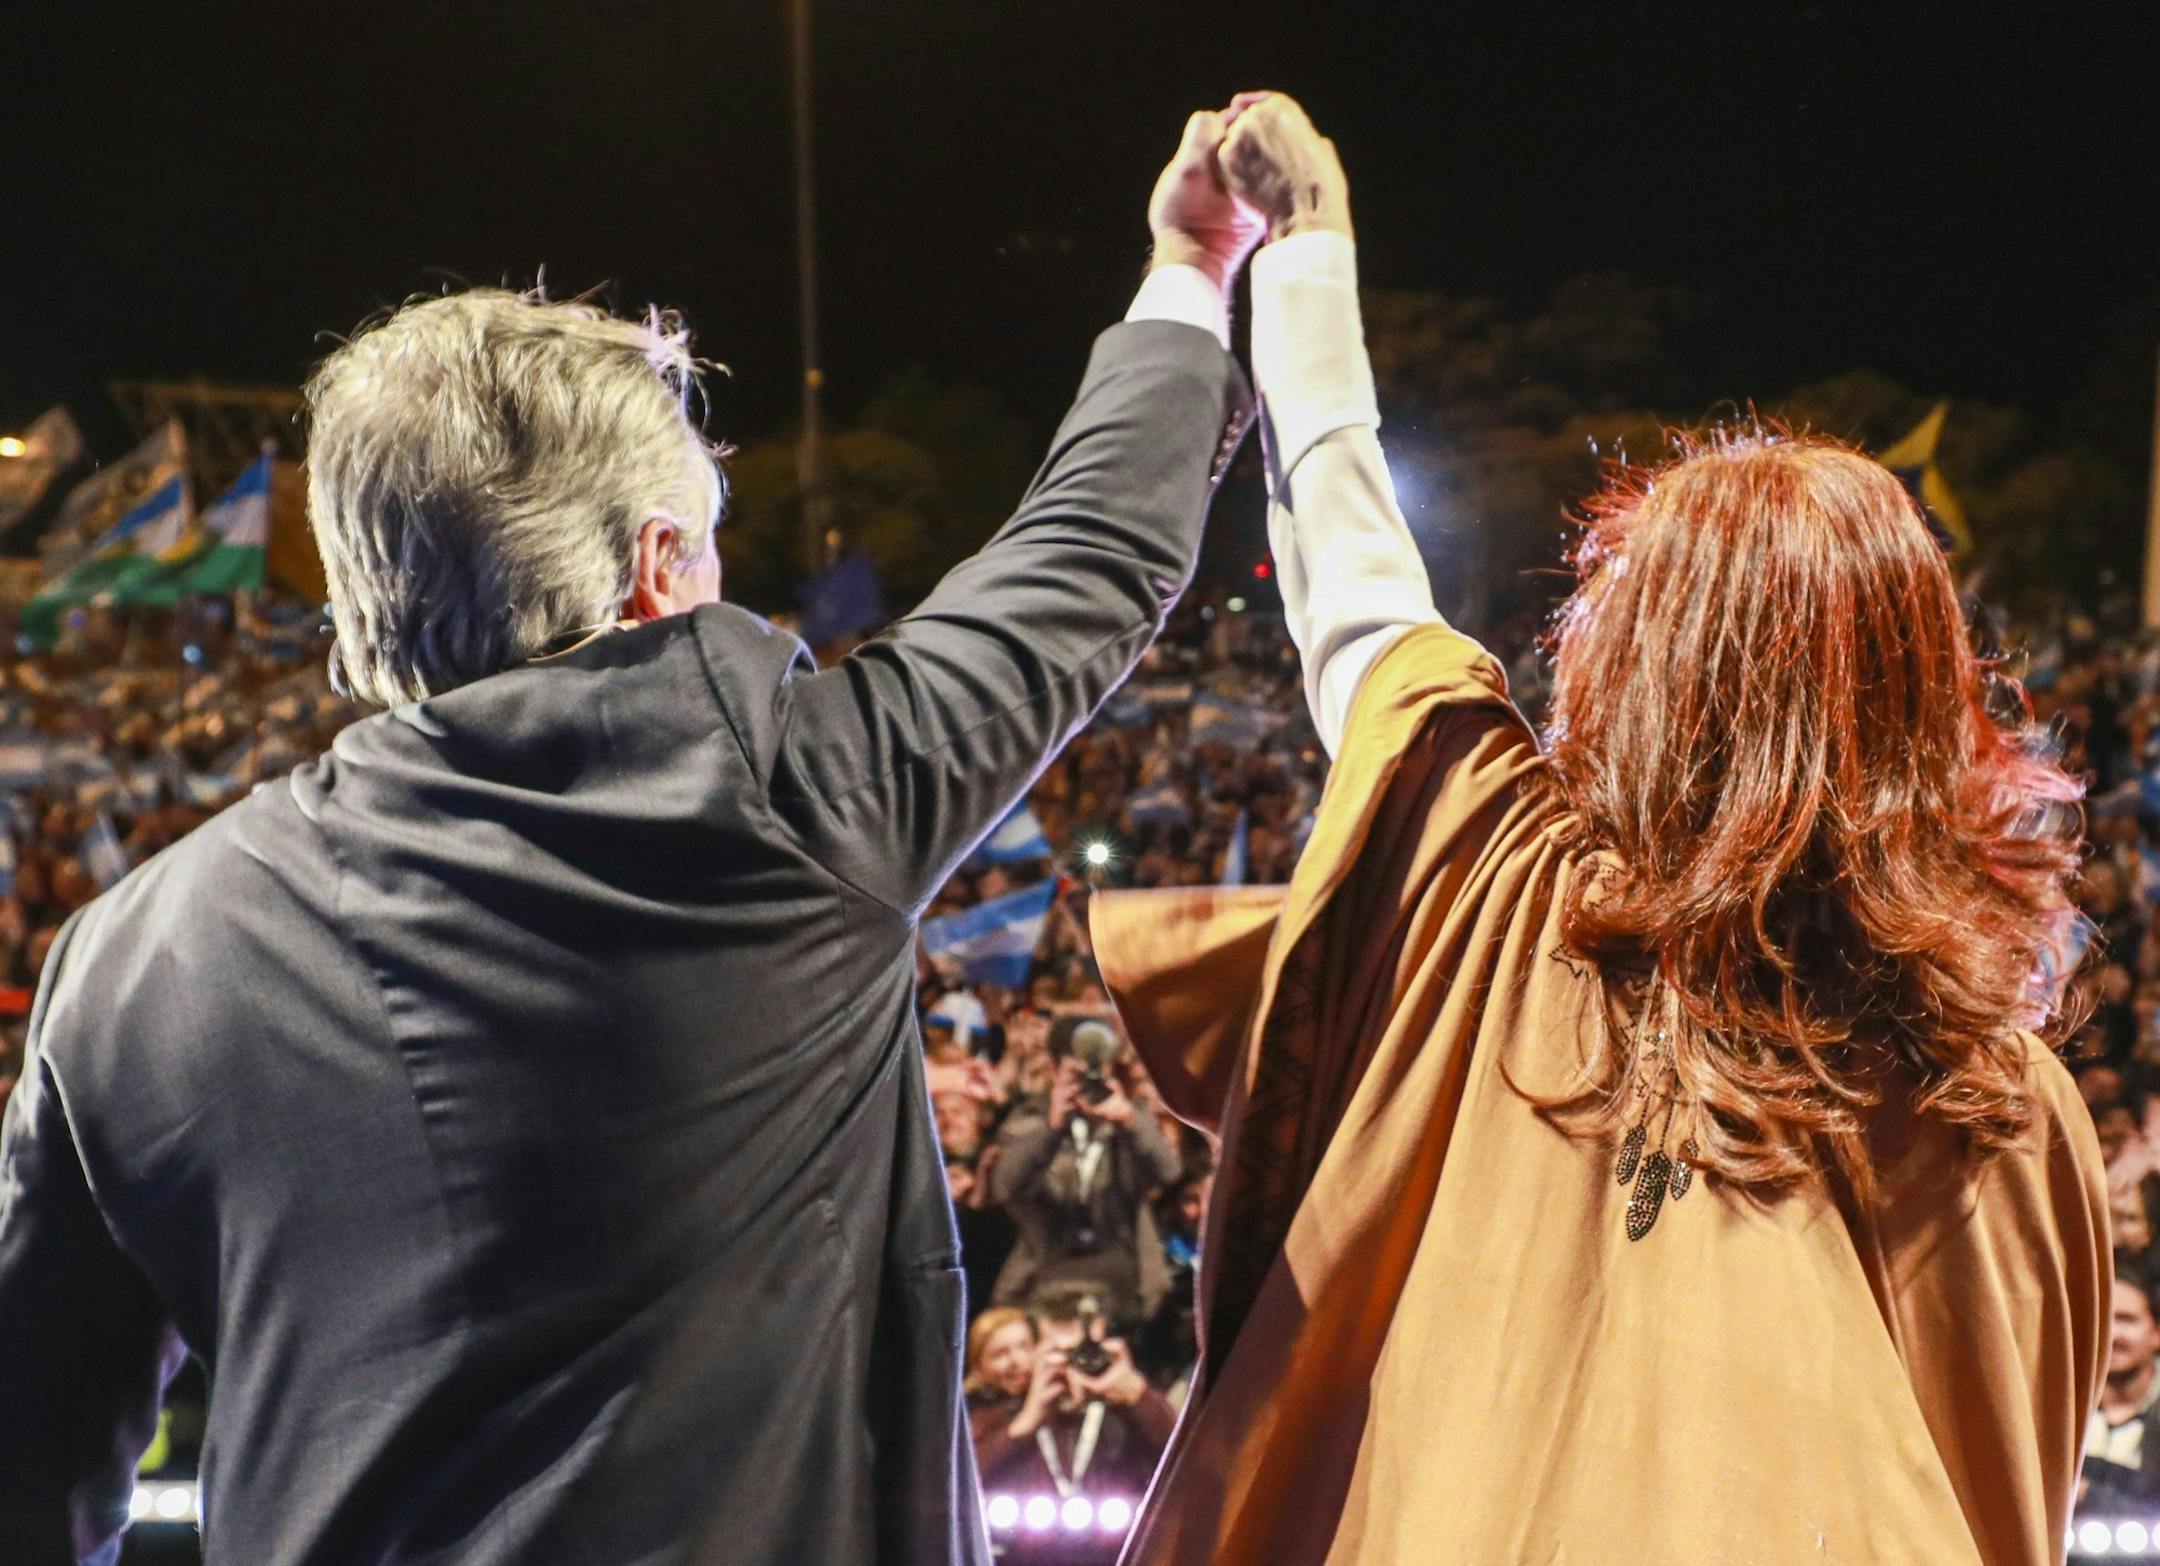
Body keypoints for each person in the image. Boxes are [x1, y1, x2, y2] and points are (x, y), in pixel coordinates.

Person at [0, 110, 1262, 1566]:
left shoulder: (130, 959)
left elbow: (29, 1472)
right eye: (712, 541)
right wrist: (1191, 263)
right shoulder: (795, 797)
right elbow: (1092, 547)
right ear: (659, 568)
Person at [1090, 92, 2109, 1565]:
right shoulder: (2007, 1106)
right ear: (1921, 692)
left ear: (1631, 665)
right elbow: (2006, 1499)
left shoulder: (1495, 896)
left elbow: (1351, 585)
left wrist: (1300, 244)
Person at [988, 1022, 1183, 1324]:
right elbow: (1006, 1186)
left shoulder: (1130, 1120)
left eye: (1098, 1071)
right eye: (1076, 1074)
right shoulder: (1028, 1121)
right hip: (1046, 1268)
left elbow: (1168, 1173)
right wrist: (1052, 1129)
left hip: (1125, 1274)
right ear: (1054, 1070)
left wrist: (1129, 1122)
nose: (1088, 1082)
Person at [970, 1290, 1176, 1504]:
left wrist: (1140, 1398)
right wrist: (1025, 1422)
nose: (1077, 1362)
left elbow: (1185, 1466)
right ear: (1035, 1352)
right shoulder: (1003, 1414)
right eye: (1062, 1352)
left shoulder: (1130, 1410)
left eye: (1088, 1350)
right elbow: (962, 1478)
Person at [2085, 1274, 2160, 1509]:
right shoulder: (2058, 1410)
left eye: (2126, 1320)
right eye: (2103, 1318)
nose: (2113, 1335)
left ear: (2156, 1333)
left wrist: (2088, 1495)